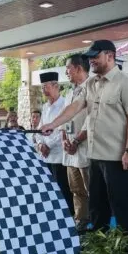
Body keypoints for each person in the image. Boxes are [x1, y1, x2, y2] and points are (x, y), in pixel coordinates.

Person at [41, 40, 128, 235]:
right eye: (90, 57)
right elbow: (75, 107)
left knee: (121, 203)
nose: (91, 61)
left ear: (110, 56)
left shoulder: (125, 82)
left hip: (116, 156)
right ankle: (99, 237)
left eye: (95, 56)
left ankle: (124, 244)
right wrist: (52, 124)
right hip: (94, 155)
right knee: (97, 203)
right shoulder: (91, 83)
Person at [35, 72, 73, 213]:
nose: (43, 90)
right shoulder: (45, 106)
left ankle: (68, 215)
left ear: (56, 86)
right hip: (46, 156)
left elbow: (63, 129)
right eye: (42, 87)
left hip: (59, 155)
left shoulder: (65, 104)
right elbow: (39, 129)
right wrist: (40, 144)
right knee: (49, 190)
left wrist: (48, 145)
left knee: (63, 189)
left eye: (46, 86)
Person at [62, 54, 91, 232]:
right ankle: (81, 219)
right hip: (70, 150)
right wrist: (65, 140)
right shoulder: (69, 93)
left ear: (79, 68)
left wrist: (77, 140)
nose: (66, 72)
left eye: (68, 68)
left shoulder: (92, 87)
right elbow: (65, 119)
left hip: (86, 146)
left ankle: (98, 222)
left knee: (91, 188)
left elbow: (91, 119)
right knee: (76, 188)